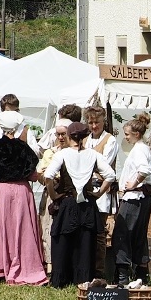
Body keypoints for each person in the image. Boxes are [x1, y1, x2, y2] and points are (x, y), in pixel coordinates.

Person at [0, 110, 48, 285]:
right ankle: (27, 266)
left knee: (2, 228)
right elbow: (32, 172)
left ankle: (1, 266)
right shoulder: (23, 147)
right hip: (21, 190)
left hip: (2, 191)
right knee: (23, 229)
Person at [43, 122, 116, 288]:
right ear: (86, 137)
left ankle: (61, 278)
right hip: (87, 204)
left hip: (68, 202)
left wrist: (54, 195)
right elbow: (110, 175)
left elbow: (48, 176)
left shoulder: (62, 154)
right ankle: (82, 278)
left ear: (69, 136)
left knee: (63, 240)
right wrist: (98, 193)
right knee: (85, 242)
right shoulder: (93, 155)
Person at [112, 114, 151, 285]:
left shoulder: (139, 150)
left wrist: (133, 183)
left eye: (128, 134)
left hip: (135, 198)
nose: (126, 137)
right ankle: (141, 275)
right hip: (142, 198)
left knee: (122, 235)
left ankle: (123, 277)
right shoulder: (144, 149)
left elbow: (144, 169)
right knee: (138, 236)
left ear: (136, 134)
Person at [84, 105, 119, 280]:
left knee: (101, 232)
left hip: (102, 190)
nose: (93, 126)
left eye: (96, 122)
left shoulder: (110, 140)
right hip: (86, 189)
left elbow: (103, 164)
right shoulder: (85, 140)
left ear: (103, 121)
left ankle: (100, 271)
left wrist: (87, 166)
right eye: (90, 122)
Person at [37, 118, 73, 273]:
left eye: (64, 134)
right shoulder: (50, 153)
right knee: (48, 229)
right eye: (58, 134)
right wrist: (46, 176)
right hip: (52, 195)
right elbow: (40, 175)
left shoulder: (75, 152)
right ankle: (50, 265)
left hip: (68, 195)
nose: (60, 137)